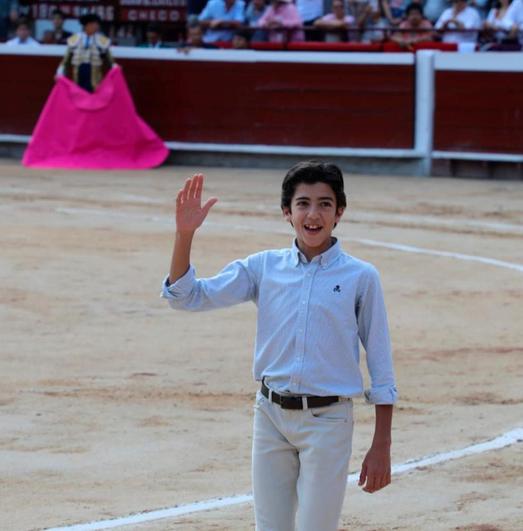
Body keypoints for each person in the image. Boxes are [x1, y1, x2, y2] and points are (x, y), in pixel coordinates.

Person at [161, 162, 398, 531]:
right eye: (303, 203)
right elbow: (187, 297)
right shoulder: (264, 267)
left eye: (324, 203)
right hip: (270, 415)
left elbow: (381, 363)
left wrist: (381, 443)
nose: (313, 214)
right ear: (287, 212)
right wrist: (184, 235)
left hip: (328, 422)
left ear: (340, 212)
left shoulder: (361, 277)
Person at [56, 14, 113, 93]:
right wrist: (60, 70)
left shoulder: (102, 40)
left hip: (94, 75)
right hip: (79, 72)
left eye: (97, 24)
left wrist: (115, 69)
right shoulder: (75, 39)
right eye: (94, 24)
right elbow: (66, 59)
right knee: (78, 93)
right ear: (87, 25)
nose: (97, 26)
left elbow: (110, 61)